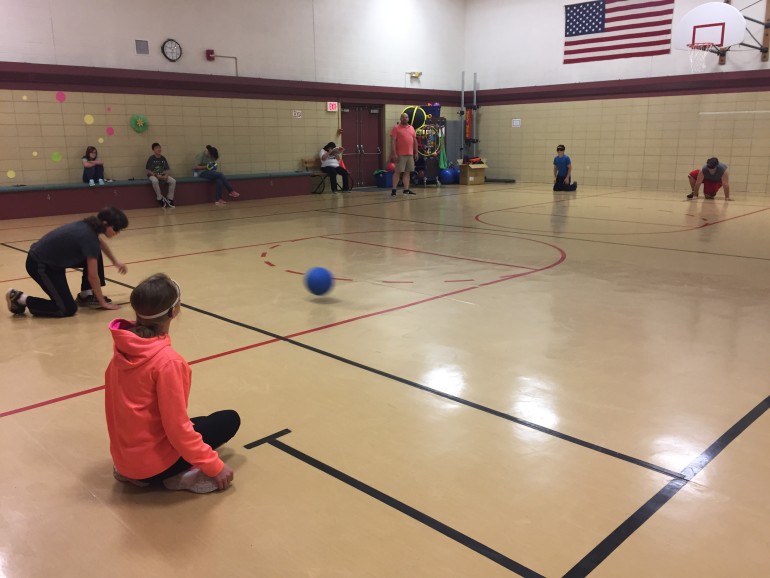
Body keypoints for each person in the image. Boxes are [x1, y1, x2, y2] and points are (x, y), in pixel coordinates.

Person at [105, 273, 240, 493]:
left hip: (124, 460)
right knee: (228, 419)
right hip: (151, 468)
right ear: (174, 311)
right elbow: (177, 429)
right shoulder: (168, 362)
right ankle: (176, 475)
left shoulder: (122, 347)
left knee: (201, 421)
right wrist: (214, 466)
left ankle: (135, 469)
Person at [5, 206, 128, 317]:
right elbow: (93, 276)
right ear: (105, 223)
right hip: (40, 264)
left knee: (95, 253)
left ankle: (86, 295)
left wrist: (115, 262)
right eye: (116, 228)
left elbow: (100, 244)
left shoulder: (89, 226)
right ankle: (19, 298)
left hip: (53, 261)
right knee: (66, 309)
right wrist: (103, 303)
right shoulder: (88, 236)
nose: (117, 232)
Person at [389, 112, 419, 196]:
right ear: (400, 118)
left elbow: (415, 141)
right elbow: (393, 142)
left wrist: (416, 152)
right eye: (403, 117)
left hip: (410, 154)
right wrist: (394, 153)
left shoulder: (411, 128)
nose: (405, 119)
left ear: (408, 119)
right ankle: (394, 190)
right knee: (398, 172)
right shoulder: (396, 128)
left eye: (406, 117)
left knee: (407, 172)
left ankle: (406, 189)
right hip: (400, 154)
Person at [146, 142, 177, 208]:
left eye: (159, 147)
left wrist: (166, 175)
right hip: (153, 175)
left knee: (173, 181)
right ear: (153, 150)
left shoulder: (163, 158)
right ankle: (160, 198)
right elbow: (148, 170)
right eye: (157, 148)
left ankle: (169, 198)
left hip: (162, 175)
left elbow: (167, 169)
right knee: (155, 181)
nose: (159, 149)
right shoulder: (151, 158)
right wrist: (156, 175)